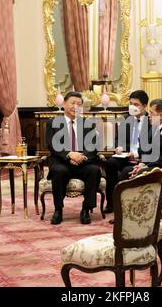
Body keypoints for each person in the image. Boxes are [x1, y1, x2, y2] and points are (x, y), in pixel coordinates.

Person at [45, 92, 101, 225]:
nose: (76, 106)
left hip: (83, 163)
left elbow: (93, 147)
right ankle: (58, 209)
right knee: (59, 171)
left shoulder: (87, 124)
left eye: (79, 104)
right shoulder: (52, 123)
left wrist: (82, 157)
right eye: (72, 103)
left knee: (94, 170)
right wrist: (69, 154)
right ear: (64, 104)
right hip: (62, 162)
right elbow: (52, 144)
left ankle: (86, 209)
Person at [104, 90, 150, 214]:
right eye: (131, 104)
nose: (132, 107)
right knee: (110, 163)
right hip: (125, 156)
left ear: (145, 106)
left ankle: (123, 205)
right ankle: (111, 202)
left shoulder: (152, 121)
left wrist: (135, 154)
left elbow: (152, 146)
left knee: (125, 172)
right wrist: (119, 147)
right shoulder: (126, 119)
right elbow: (120, 139)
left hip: (141, 159)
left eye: (136, 104)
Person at [126, 99, 162, 182]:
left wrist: (146, 167)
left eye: (151, 113)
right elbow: (145, 150)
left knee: (129, 173)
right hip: (153, 166)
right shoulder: (153, 128)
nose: (149, 115)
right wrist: (142, 164)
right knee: (126, 171)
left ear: (161, 115)